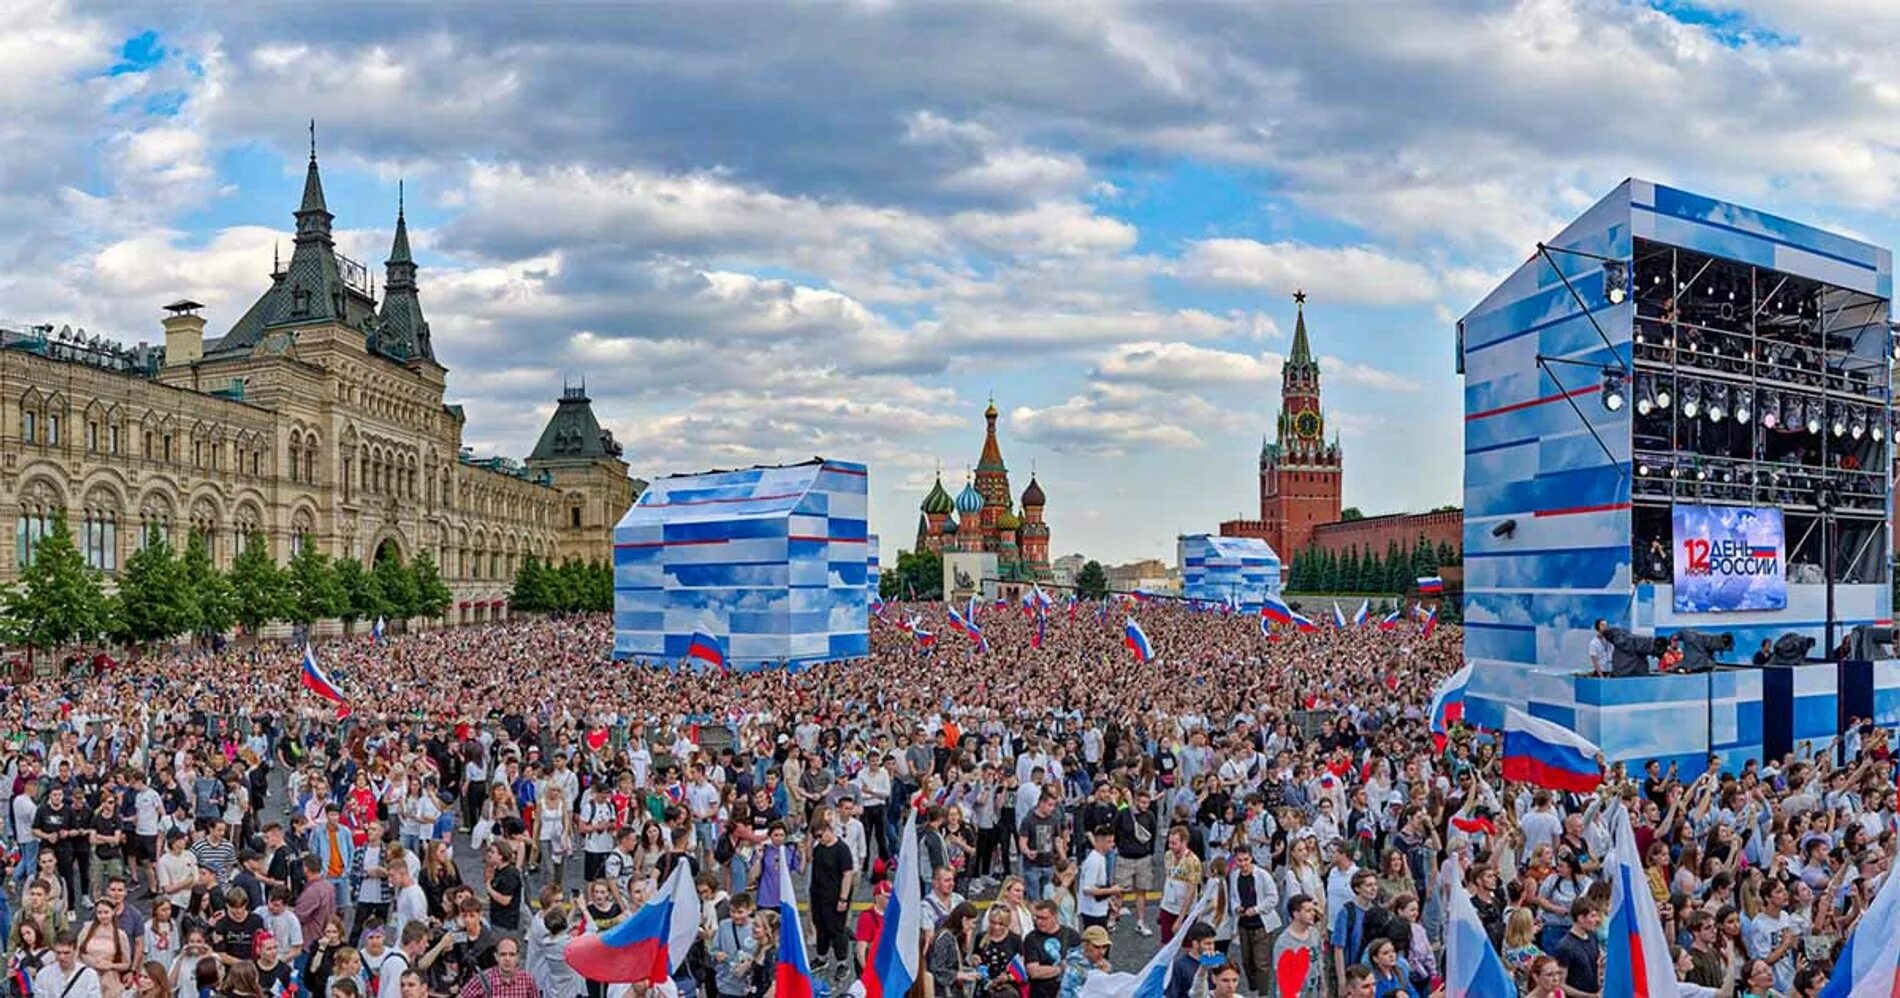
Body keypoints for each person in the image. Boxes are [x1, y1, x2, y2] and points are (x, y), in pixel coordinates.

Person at [805, 817, 855, 984]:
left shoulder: (842, 849)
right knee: (821, 927)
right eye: (817, 836)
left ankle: (842, 962)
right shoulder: (819, 849)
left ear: (829, 830)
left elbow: (847, 874)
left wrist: (843, 898)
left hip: (834, 897)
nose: (820, 839)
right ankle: (821, 957)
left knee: (837, 930)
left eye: (821, 835)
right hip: (819, 896)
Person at [77, 899, 133, 998]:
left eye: (106, 912)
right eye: (99, 913)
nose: (102, 916)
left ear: (113, 912)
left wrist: (110, 965)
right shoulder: (87, 929)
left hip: (108, 980)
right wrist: (89, 962)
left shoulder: (120, 935)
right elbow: (76, 953)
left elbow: (126, 964)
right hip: (87, 976)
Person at [1270, 894, 1324, 998]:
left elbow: (1319, 962)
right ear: (1296, 914)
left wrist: (1323, 988)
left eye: (1313, 910)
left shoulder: (1314, 933)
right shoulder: (1284, 943)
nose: (1313, 914)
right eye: (1308, 911)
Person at [1020, 902, 1075, 998]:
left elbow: (1080, 966)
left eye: (1044, 918)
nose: (1039, 922)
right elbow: (1034, 972)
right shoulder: (1031, 938)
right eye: (1037, 918)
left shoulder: (1072, 935)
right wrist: (1061, 969)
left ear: (1055, 917)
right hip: (1041, 993)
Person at [926, 903, 980, 998]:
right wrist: (958, 975)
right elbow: (936, 969)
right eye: (973, 922)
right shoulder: (945, 939)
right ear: (964, 920)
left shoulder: (955, 937)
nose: (973, 926)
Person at [455, 937, 538, 998]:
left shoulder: (528, 981)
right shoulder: (482, 980)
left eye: (512, 954)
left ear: (518, 957)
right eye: (503, 954)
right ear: (496, 956)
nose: (507, 959)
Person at [1551, 899, 1602, 998]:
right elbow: (1560, 984)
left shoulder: (1592, 936)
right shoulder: (1565, 947)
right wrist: (1591, 996)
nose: (1598, 920)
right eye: (1593, 916)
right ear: (1581, 918)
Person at [36, 932, 102, 998]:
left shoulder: (89, 975)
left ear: (76, 951)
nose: (62, 957)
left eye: (66, 953)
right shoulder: (43, 974)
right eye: (58, 953)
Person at [1056, 926, 1111, 998]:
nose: (1102, 952)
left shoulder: (1095, 961)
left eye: (1105, 946)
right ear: (1085, 945)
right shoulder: (1074, 967)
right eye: (1096, 946)